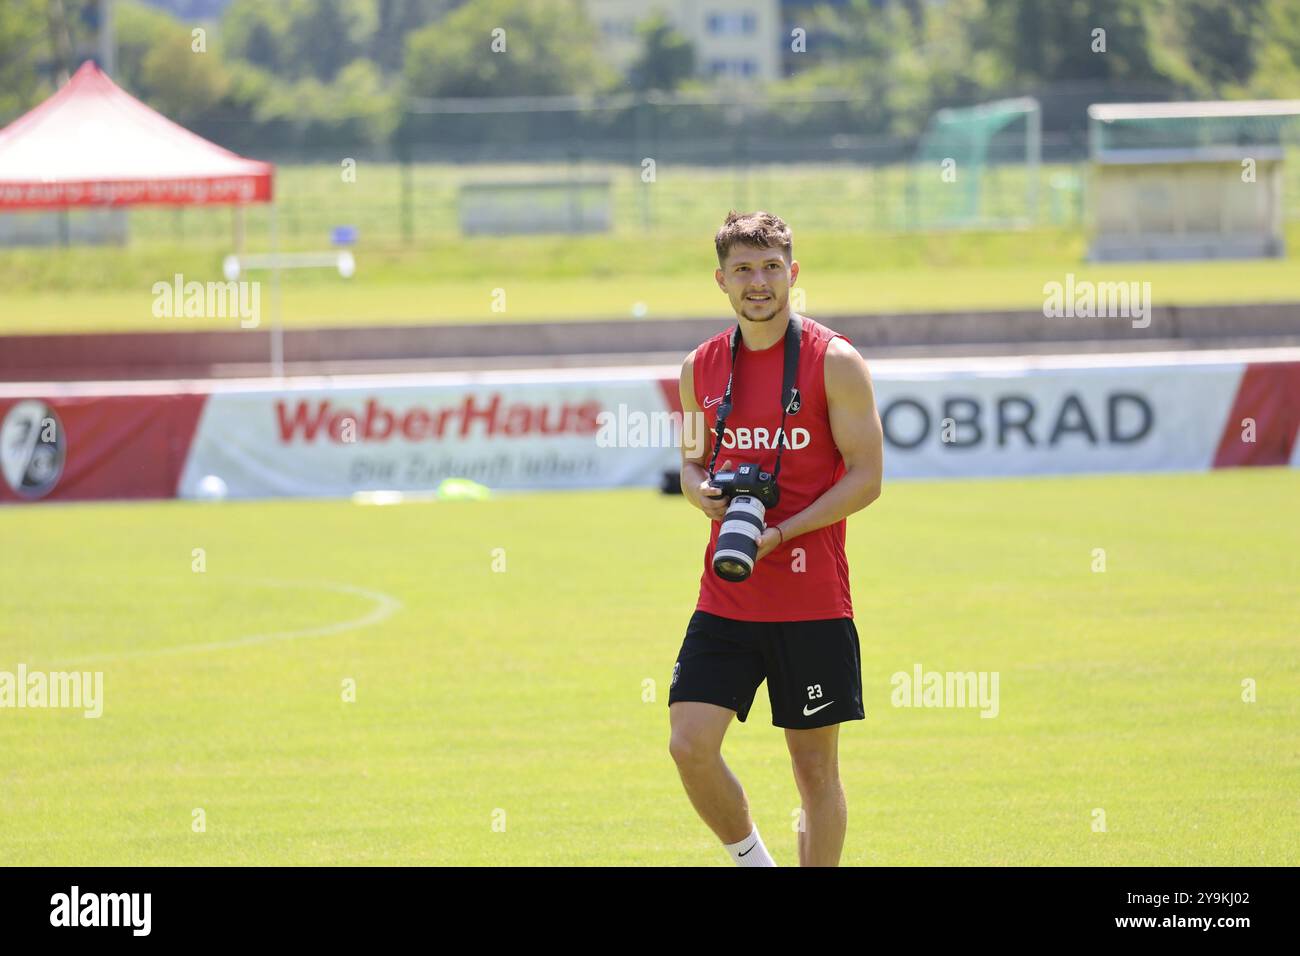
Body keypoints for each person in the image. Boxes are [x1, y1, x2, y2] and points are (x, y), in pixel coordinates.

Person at [667, 210, 884, 867]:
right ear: (721, 280)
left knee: (814, 773)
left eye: (769, 268)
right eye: (742, 270)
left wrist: (782, 530)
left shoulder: (834, 362)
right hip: (727, 594)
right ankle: (753, 862)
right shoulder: (699, 368)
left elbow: (868, 478)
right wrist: (700, 491)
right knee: (689, 744)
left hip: (812, 599)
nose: (757, 282)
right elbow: (691, 461)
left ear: (793, 273)